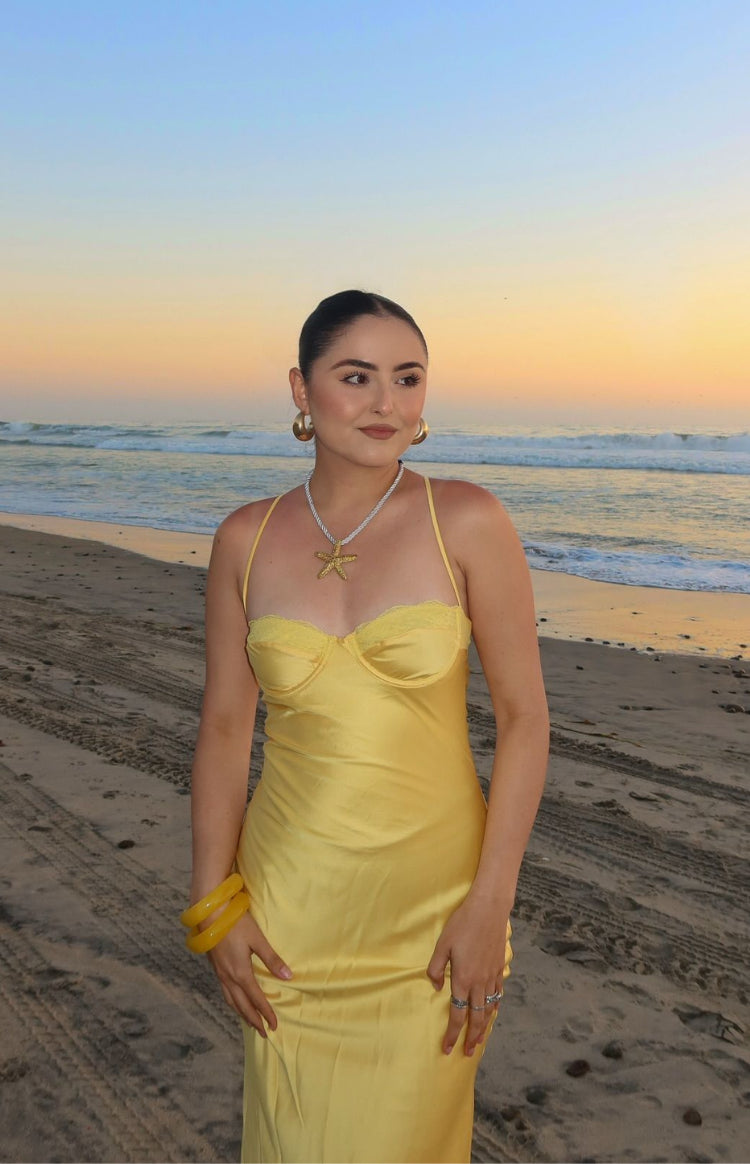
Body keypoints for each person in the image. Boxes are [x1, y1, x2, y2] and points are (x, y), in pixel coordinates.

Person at [184, 289, 550, 1163]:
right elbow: (226, 727)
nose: (386, 403)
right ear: (302, 391)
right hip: (289, 909)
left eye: (407, 378)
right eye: (357, 376)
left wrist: (488, 905)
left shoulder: (465, 519)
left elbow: (525, 719)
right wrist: (213, 906)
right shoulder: (245, 537)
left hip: (433, 915)